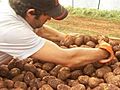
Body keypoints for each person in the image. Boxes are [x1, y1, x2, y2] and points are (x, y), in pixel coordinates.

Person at [0, 0, 115, 67]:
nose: (50, 18)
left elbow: (40, 29)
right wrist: (104, 52)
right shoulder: (12, 31)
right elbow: (68, 58)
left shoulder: (12, 7)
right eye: (48, 14)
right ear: (31, 12)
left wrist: (65, 37)